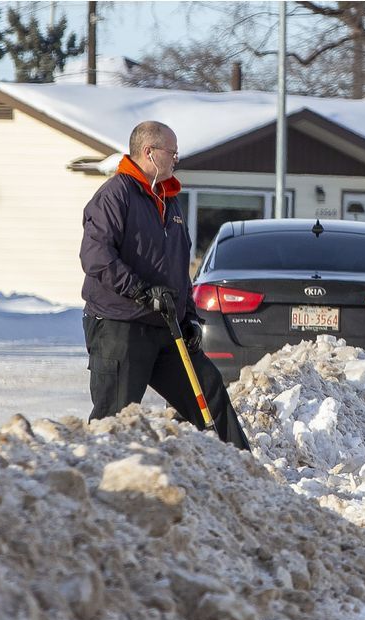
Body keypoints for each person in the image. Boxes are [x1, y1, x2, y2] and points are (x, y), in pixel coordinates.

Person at [79, 120, 251, 451]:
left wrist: (189, 315)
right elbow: (96, 257)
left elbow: (177, 264)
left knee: (209, 389)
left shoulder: (168, 200)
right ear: (149, 152)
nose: (175, 159)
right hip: (121, 326)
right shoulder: (115, 196)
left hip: (165, 325)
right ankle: (99, 484)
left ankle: (245, 470)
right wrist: (141, 291)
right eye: (171, 153)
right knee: (113, 420)